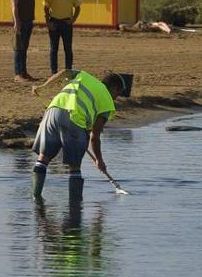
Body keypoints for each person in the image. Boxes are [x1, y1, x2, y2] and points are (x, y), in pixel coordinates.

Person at [29, 68, 129, 200]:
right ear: (115, 88)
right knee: (74, 166)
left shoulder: (84, 76)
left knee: (43, 158)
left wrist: (43, 86)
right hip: (74, 119)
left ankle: (35, 198)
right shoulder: (107, 101)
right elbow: (95, 137)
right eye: (119, 94)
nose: (117, 98)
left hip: (52, 112)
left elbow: (65, 71)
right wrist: (99, 160)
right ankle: (75, 206)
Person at [43, 0, 81, 75]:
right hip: (54, 22)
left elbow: (77, 7)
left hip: (66, 23)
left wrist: (72, 20)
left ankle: (68, 71)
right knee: (53, 48)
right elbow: (46, 7)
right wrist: (48, 22)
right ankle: (53, 72)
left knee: (68, 48)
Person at [10, 0, 37, 82]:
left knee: (25, 47)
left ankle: (24, 72)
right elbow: (14, 5)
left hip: (29, 20)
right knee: (18, 47)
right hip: (20, 21)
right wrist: (17, 21)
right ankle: (18, 74)